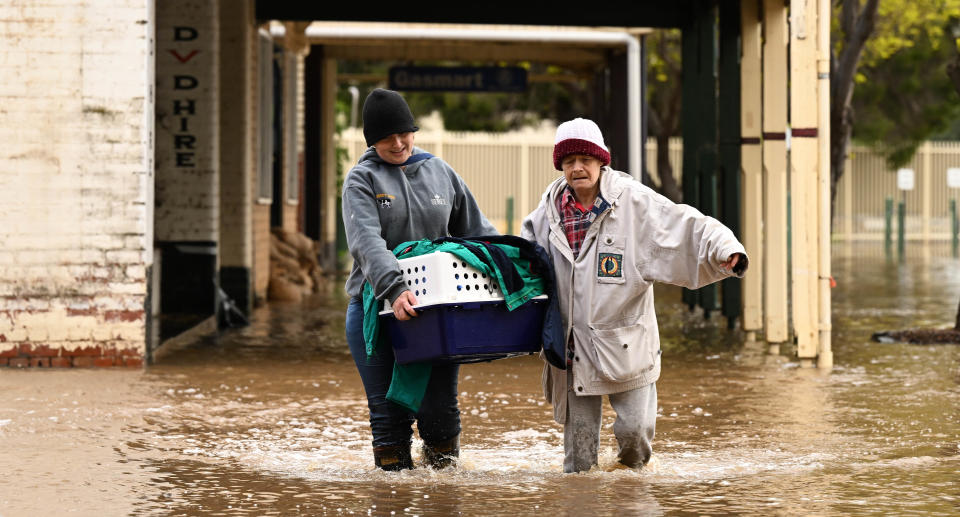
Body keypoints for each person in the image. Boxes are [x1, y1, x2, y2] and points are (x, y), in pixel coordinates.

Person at [521, 117, 748, 473]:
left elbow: (686, 225)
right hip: (571, 348)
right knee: (579, 462)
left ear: (601, 160)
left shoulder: (635, 202)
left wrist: (723, 249)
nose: (577, 168)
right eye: (568, 161)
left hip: (626, 344)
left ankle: (630, 492)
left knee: (635, 437)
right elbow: (525, 264)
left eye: (585, 159)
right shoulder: (545, 214)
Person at [341, 88, 499, 471]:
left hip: (438, 314)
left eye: (405, 133)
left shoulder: (440, 172)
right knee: (389, 417)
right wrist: (395, 290)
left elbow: (478, 234)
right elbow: (367, 243)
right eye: (386, 137)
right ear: (371, 140)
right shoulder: (361, 181)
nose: (398, 143)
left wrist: (510, 270)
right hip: (377, 311)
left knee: (440, 412)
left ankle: (443, 496)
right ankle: (392, 498)